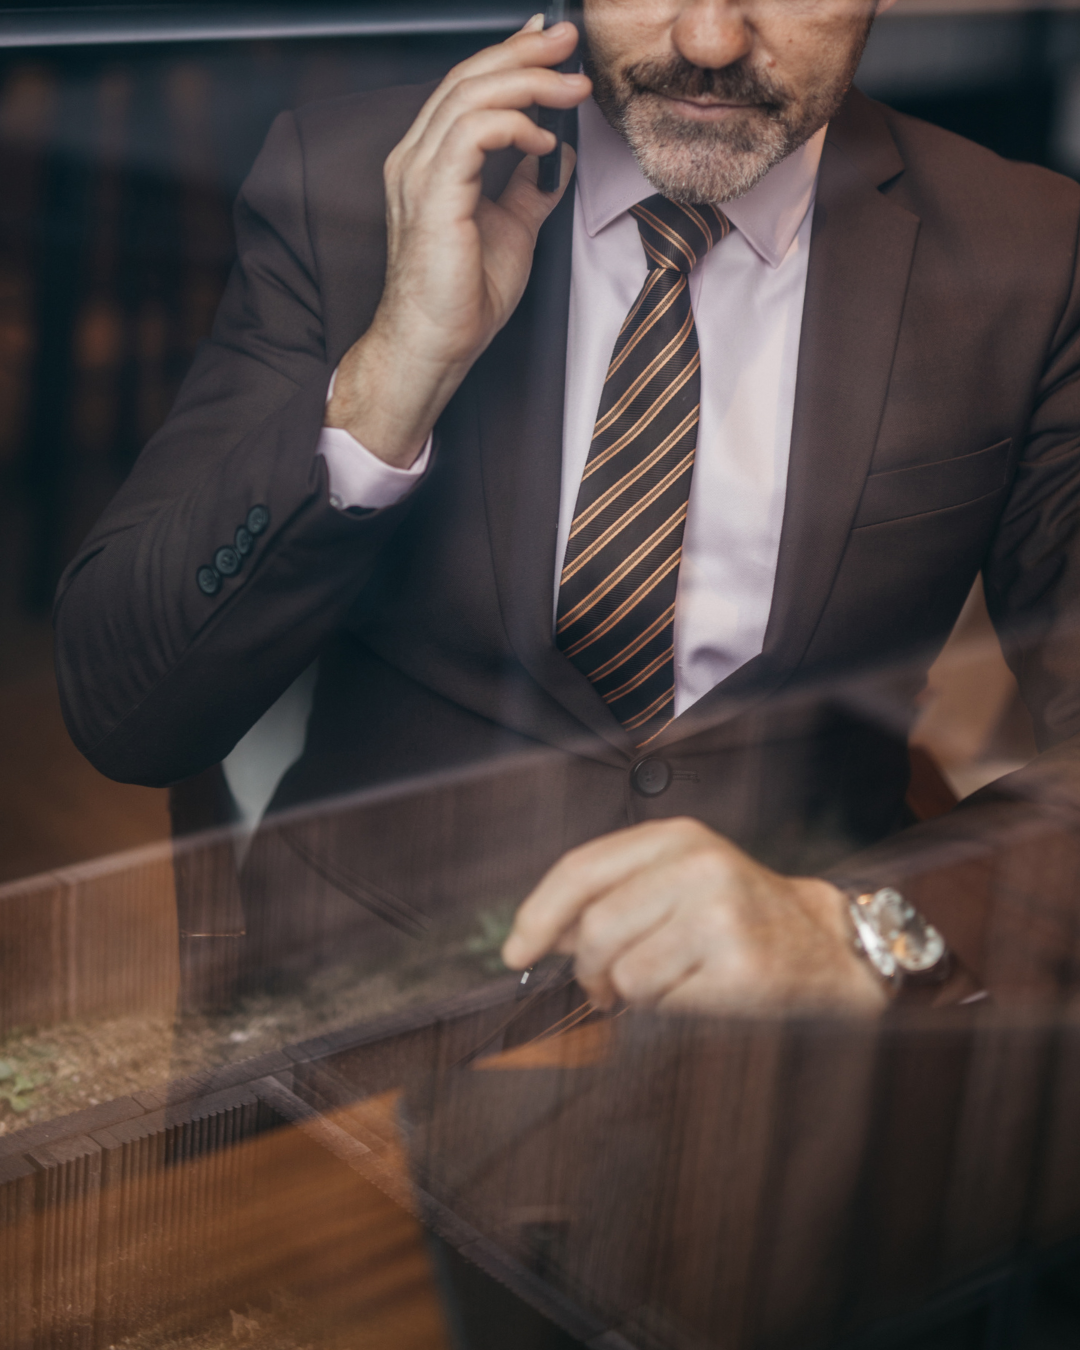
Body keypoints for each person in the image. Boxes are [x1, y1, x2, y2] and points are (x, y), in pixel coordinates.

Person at [54, 0, 1080, 1018]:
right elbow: (127, 717)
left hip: (780, 1056)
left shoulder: (1028, 255)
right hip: (354, 1026)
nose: (711, 41)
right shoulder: (346, 183)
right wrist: (394, 372)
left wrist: (853, 931)